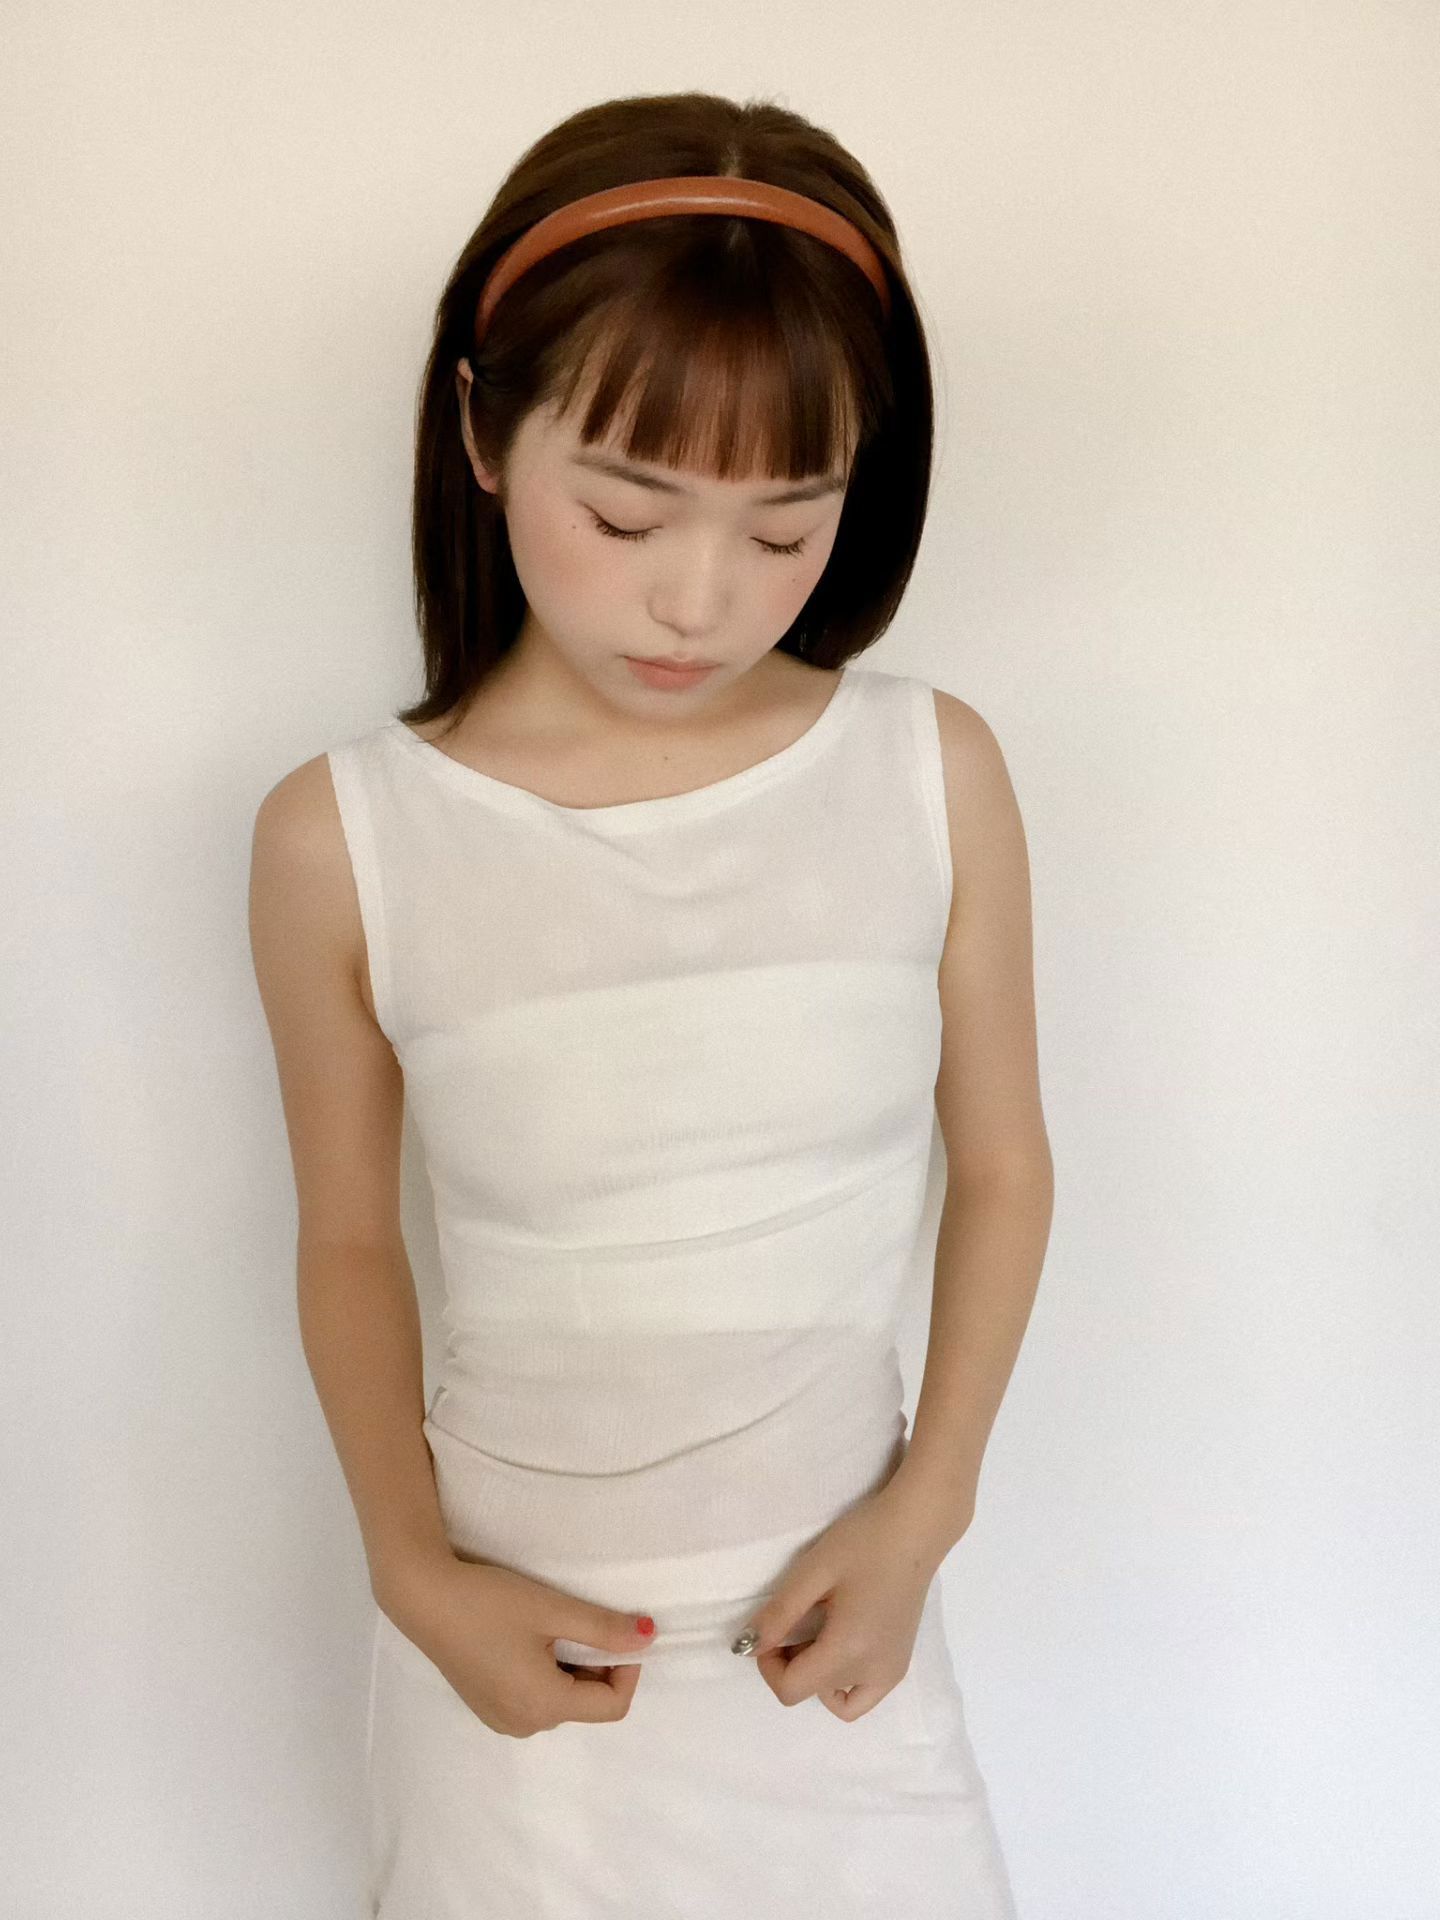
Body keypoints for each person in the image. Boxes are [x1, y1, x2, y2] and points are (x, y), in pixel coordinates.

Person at [248, 88, 1052, 1919]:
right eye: (624, 513)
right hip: (514, 1676)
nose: (699, 600)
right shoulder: (341, 839)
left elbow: (1005, 1167)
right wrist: (411, 1574)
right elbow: (348, 1243)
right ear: (481, 430)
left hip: (840, 1656)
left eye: (785, 532)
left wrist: (930, 1508)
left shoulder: (932, 772)